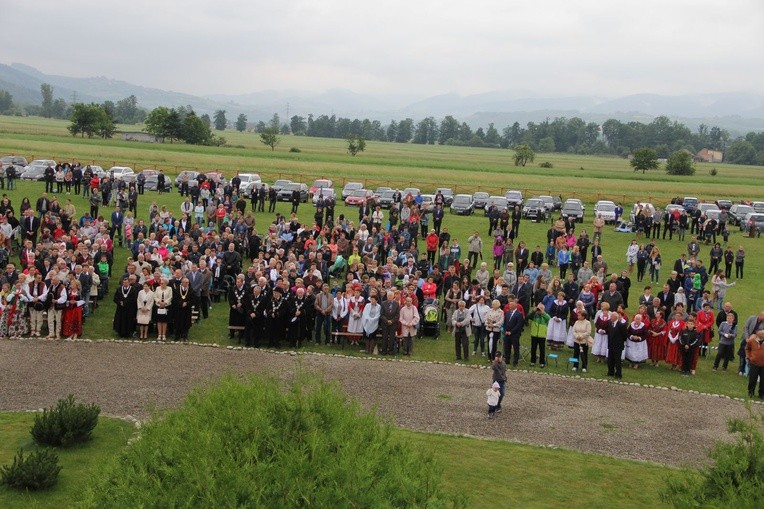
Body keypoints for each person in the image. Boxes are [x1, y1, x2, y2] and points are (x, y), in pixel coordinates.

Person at [503, 299, 524, 367]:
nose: (509, 306)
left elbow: (518, 325)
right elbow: (505, 322)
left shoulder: (519, 314)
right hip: (507, 333)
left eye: (510, 305)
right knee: (507, 347)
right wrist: (505, 330)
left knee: (515, 347)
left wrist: (511, 332)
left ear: (515, 306)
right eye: (509, 304)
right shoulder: (508, 313)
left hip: (514, 334)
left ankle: (515, 361)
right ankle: (507, 359)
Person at [607, 311, 628, 379]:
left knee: (617, 361)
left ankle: (618, 374)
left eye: (612, 316)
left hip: (618, 345)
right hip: (611, 345)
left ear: (615, 317)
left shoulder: (621, 325)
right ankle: (610, 372)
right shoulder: (610, 323)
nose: (610, 317)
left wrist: (620, 341)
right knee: (610, 360)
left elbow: (624, 336)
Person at [46, 275, 67, 340]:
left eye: (54, 280)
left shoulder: (62, 287)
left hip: (58, 306)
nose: (53, 281)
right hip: (50, 306)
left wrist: (57, 301)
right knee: (50, 320)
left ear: (58, 281)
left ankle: (58, 334)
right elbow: (46, 293)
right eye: (52, 280)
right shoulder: (51, 286)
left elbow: (64, 297)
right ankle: (51, 333)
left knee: (58, 321)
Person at [228, 275, 248, 341]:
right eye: (237, 282)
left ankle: (241, 334)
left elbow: (247, 298)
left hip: (242, 309)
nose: (237, 283)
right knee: (232, 320)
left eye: (239, 282)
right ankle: (232, 333)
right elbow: (230, 297)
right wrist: (232, 304)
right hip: (234, 308)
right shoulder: (233, 288)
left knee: (242, 321)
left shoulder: (246, 289)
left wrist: (242, 302)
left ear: (242, 282)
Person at [380, 290, 400, 355]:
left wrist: (392, 321)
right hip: (385, 323)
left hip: (393, 323)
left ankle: (391, 351)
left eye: (391, 295)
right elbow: (381, 314)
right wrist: (387, 321)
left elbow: (397, 315)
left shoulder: (396, 304)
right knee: (384, 337)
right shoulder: (383, 303)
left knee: (392, 338)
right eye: (388, 295)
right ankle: (384, 351)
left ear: (393, 296)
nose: (389, 297)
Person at [745, 330, 764, 398]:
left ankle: (761, 394)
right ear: (758, 334)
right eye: (762, 333)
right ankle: (750, 392)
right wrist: (748, 356)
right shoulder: (752, 341)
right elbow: (747, 349)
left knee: (763, 381)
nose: (763, 334)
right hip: (754, 363)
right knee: (752, 379)